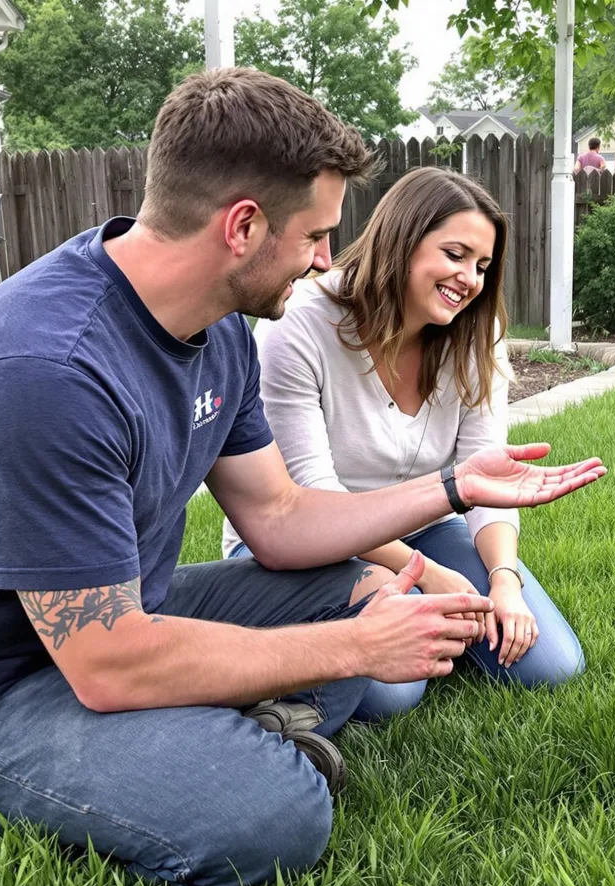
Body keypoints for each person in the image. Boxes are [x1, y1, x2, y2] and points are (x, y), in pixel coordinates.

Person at [0, 69, 604, 886]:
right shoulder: (45, 373)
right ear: (242, 226)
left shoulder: (217, 328)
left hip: (127, 619)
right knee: (274, 817)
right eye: (314, 236)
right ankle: (224, 744)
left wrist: (452, 487)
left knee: (357, 586)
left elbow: (277, 515)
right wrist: (357, 649)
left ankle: (211, 724)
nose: (323, 262)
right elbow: (104, 659)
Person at [224, 167, 584, 720]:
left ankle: (431, 623)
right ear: (402, 241)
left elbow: (483, 480)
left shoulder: (476, 335)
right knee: (392, 694)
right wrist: (433, 575)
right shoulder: (300, 325)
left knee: (550, 665)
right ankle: (298, 642)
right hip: (306, 540)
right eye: (456, 254)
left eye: (483, 266)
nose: (469, 279)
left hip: (425, 523)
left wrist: (504, 581)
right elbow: (311, 497)